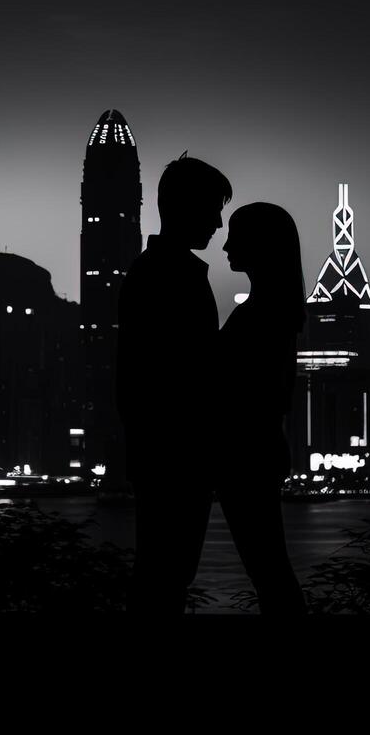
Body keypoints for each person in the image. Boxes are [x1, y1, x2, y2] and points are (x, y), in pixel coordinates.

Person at [116, 153, 233, 615]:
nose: (219, 224)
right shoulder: (169, 276)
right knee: (166, 575)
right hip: (176, 453)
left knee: (163, 574)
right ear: (184, 207)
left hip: (164, 452)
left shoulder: (158, 271)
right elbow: (181, 372)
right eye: (213, 210)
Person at [215, 202, 308, 614]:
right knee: (268, 566)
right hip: (259, 449)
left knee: (267, 566)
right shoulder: (274, 309)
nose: (227, 246)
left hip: (246, 453)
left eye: (238, 236)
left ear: (262, 245)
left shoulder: (261, 314)